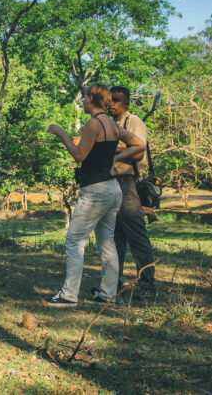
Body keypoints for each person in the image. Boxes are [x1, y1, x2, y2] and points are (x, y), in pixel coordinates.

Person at [46, 84, 145, 307]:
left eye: (84, 98)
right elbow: (138, 144)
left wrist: (61, 133)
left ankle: (69, 294)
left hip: (95, 192)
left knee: (74, 241)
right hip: (113, 189)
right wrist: (115, 160)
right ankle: (107, 294)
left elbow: (79, 156)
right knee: (107, 242)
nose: (82, 101)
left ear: (91, 98)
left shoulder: (94, 123)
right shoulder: (111, 124)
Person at [108, 86, 157, 300]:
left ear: (126, 104)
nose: (112, 104)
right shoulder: (110, 123)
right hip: (111, 182)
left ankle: (147, 286)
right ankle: (113, 285)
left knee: (137, 237)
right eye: (109, 100)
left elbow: (138, 152)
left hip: (127, 183)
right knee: (114, 238)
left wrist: (109, 148)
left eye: (116, 100)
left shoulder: (133, 121)